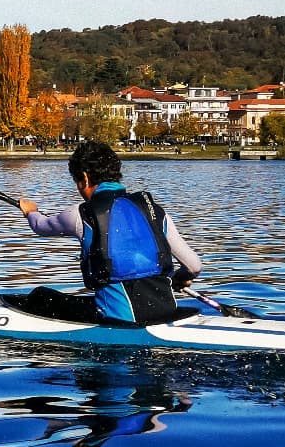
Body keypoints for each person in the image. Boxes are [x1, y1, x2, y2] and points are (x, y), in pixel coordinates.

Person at [16, 139, 201, 324]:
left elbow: (41, 226)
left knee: (41, 296)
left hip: (120, 319)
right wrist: (180, 278)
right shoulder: (155, 211)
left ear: (84, 178)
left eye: (77, 181)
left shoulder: (81, 214)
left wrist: (31, 211)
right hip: (167, 312)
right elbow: (194, 266)